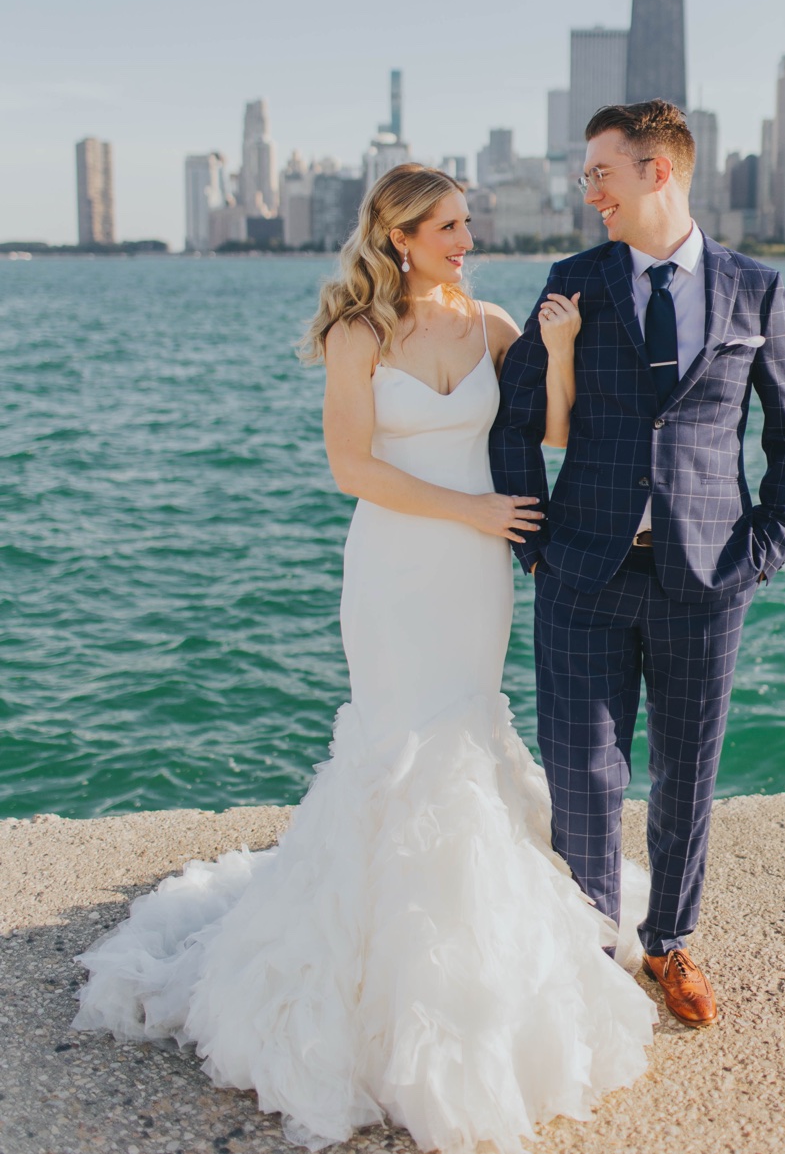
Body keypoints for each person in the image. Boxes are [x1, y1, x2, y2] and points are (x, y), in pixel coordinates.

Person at [72, 163, 656, 1154]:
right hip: (394, 568)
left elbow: (552, 431)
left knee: (465, 734)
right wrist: (470, 507)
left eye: (467, 223)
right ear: (398, 238)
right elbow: (352, 466)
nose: (465, 239)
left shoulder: (494, 324)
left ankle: (473, 972)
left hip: (475, 575)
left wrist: (556, 351)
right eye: (447, 227)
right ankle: (367, 980)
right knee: (397, 743)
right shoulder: (359, 332)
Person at [489, 99, 785, 1028]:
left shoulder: (754, 290)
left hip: (706, 583)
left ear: (657, 172)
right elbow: (517, 422)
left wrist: (759, 552)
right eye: (585, 174)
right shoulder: (572, 280)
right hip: (583, 573)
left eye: (601, 172)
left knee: (685, 775)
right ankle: (594, 951)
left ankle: (669, 944)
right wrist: (535, 541)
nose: (587, 189)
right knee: (584, 774)